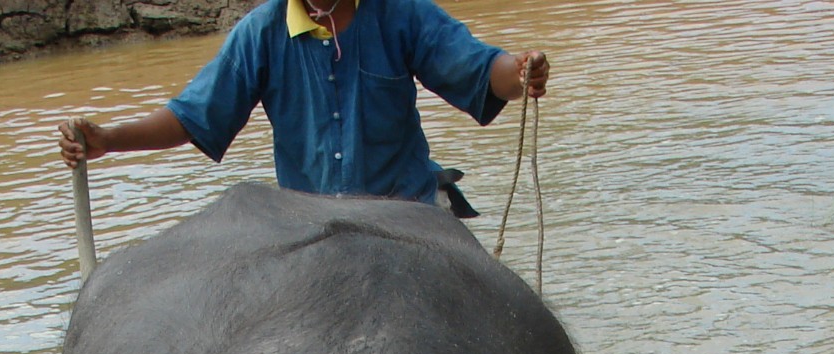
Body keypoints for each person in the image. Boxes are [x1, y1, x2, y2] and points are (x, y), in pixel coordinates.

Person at [55, 0, 547, 214]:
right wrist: (109, 140)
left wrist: (521, 72)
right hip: (308, 225)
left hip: (410, 212)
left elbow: (482, 69)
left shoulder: (400, 16)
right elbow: (191, 117)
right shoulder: (263, 33)